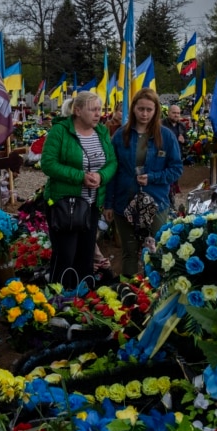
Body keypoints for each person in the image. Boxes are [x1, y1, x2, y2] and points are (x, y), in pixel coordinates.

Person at [42, 91, 117, 287]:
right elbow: (48, 164)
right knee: (65, 254)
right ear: (77, 110)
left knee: (86, 254)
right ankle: (59, 298)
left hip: (91, 205)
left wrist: (101, 176)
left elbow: (112, 163)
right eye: (93, 109)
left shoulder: (101, 131)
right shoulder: (60, 131)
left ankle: (83, 298)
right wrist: (80, 177)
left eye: (99, 109)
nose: (98, 114)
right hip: (65, 205)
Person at [105, 88, 183, 277]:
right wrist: (108, 204)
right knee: (129, 251)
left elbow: (176, 169)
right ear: (133, 109)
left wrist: (153, 177)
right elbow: (111, 171)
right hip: (124, 202)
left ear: (156, 111)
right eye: (141, 109)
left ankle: (153, 295)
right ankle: (130, 294)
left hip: (156, 203)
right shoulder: (120, 136)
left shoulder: (166, 136)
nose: (145, 114)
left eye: (149, 109)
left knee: (155, 251)